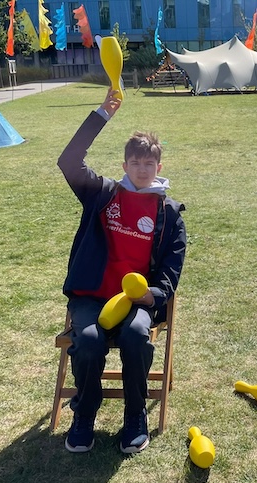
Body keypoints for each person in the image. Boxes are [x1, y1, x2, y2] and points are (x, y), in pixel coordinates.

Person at [58, 88, 187, 454]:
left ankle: (135, 418)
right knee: (88, 342)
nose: (142, 169)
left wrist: (153, 296)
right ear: (124, 165)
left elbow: (170, 271)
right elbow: (68, 161)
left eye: (149, 164)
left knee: (134, 337)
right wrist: (101, 114)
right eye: (135, 163)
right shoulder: (103, 194)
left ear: (159, 167)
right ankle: (83, 416)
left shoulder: (170, 214)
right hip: (92, 296)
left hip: (136, 301)